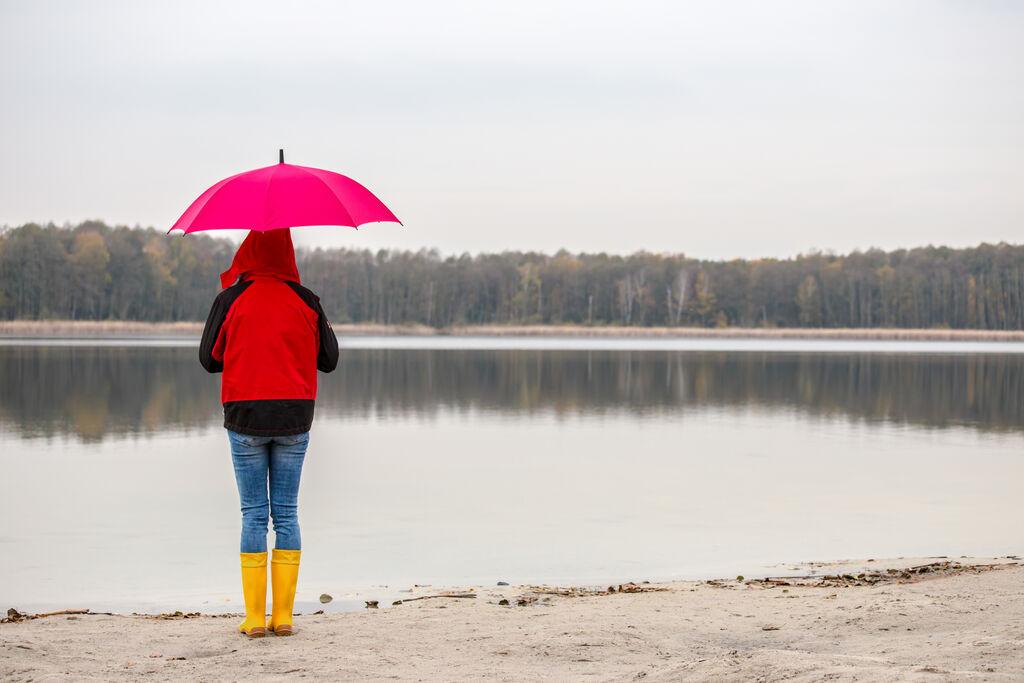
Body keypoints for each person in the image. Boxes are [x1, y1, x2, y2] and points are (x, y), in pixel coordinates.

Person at [199, 228, 339, 638]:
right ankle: (284, 617)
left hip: (244, 414)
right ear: (287, 252)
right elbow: (329, 360)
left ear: (248, 251)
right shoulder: (306, 299)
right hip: (295, 415)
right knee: (287, 513)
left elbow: (209, 359)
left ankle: (255, 619)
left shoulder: (230, 300)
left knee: (253, 514)